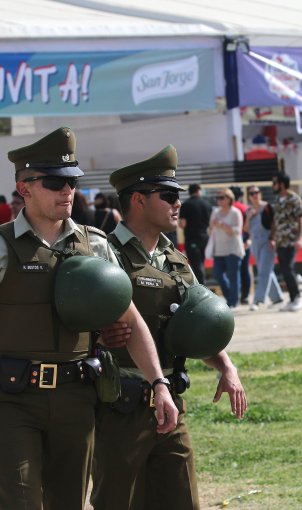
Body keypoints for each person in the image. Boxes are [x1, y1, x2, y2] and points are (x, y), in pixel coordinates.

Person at [0, 127, 177, 510]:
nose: (67, 190)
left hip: (77, 399)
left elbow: (131, 320)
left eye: (71, 181)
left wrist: (159, 384)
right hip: (13, 402)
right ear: (24, 188)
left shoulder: (95, 245)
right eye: (54, 182)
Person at [93, 145, 247, 510]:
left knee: (183, 502)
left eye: (178, 195)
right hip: (119, 406)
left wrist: (227, 367)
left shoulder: (175, 260)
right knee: (117, 502)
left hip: (169, 405)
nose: (177, 203)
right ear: (138, 200)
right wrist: (97, 337)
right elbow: (72, 322)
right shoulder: (104, 253)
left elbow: (196, 328)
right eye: (168, 195)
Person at [243, 185, 283, 310]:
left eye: (257, 192)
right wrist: (249, 217)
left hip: (267, 241)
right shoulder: (248, 210)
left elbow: (275, 224)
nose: (255, 195)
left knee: (263, 272)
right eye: (252, 193)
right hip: (255, 243)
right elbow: (245, 229)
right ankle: (277, 298)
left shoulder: (267, 207)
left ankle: (258, 300)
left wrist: (272, 238)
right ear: (249, 196)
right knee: (266, 270)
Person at [271, 173, 302, 312]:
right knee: (284, 270)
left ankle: (297, 297)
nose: (273, 186)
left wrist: (300, 238)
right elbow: (275, 220)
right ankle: (292, 299)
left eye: (275, 183)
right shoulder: (278, 199)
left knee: (288, 268)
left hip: (291, 239)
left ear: (282, 184)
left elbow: (300, 218)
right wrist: (272, 237)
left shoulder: (294, 198)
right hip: (280, 240)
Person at [209, 187, 245, 309]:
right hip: (218, 250)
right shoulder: (215, 212)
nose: (219, 200)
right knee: (218, 274)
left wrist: (222, 225)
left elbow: (237, 231)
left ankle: (233, 302)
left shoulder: (235, 212)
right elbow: (210, 230)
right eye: (217, 198)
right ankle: (230, 297)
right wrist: (211, 228)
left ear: (230, 199)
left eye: (221, 197)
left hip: (233, 249)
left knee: (233, 276)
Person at [179, 184, 211, 284]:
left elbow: (182, 224)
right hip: (205, 237)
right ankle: (202, 285)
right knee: (201, 262)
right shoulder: (206, 204)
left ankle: (202, 286)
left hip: (192, 238)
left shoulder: (186, 204)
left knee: (196, 265)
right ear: (198, 191)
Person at [232, 187, 252, 305]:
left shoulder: (230, 208)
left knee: (234, 269)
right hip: (245, 238)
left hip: (233, 240)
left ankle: (236, 295)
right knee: (245, 268)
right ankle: (245, 295)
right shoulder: (245, 208)